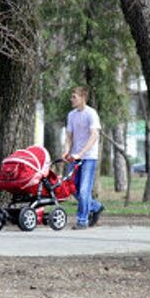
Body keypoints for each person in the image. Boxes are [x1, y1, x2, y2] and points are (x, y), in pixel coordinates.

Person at [63, 86, 105, 229]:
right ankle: (95, 206)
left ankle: (82, 221)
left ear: (83, 98)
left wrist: (80, 154)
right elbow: (69, 136)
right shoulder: (71, 115)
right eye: (72, 96)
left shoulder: (91, 114)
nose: (71, 99)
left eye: (74, 96)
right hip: (74, 156)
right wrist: (66, 151)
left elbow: (94, 136)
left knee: (84, 190)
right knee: (71, 187)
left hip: (88, 157)